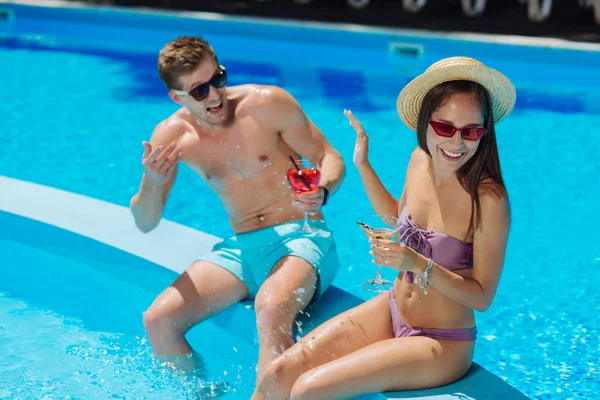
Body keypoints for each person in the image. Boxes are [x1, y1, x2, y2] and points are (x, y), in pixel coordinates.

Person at [252, 56, 516, 400]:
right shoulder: (420, 160)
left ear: (485, 131)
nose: (456, 143)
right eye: (445, 128)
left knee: (308, 390)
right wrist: (362, 165)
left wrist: (417, 263)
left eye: (471, 131)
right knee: (278, 374)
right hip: (392, 309)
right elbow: (397, 217)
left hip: (441, 342)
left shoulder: (489, 200)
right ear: (426, 122)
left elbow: (482, 296)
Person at [129, 36, 345, 378]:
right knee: (158, 320)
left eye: (218, 78)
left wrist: (324, 189)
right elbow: (145, 222)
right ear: (176, 97)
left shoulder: (267, 104)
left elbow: (329, 156)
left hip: (303, 237)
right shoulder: (172, 137)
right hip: (243, 250)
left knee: (271, 308)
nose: (215, 94)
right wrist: (152, 182)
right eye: (200, 91)